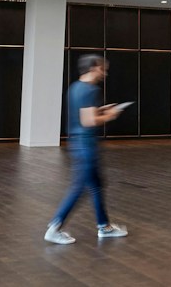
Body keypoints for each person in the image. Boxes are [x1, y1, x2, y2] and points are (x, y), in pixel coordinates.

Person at [44, 54, 128, 244]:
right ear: (93, 67)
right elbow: (88, 121)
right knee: (79, 187)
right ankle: (55, 227)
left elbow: (84, 114)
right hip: (86, 146)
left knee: (96, 185)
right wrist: (111, 115)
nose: (104, 73)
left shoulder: (75, 88)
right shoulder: (91, 90)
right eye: (102, 69)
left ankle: (104, 226)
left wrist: (100, 110)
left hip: (78, 143)